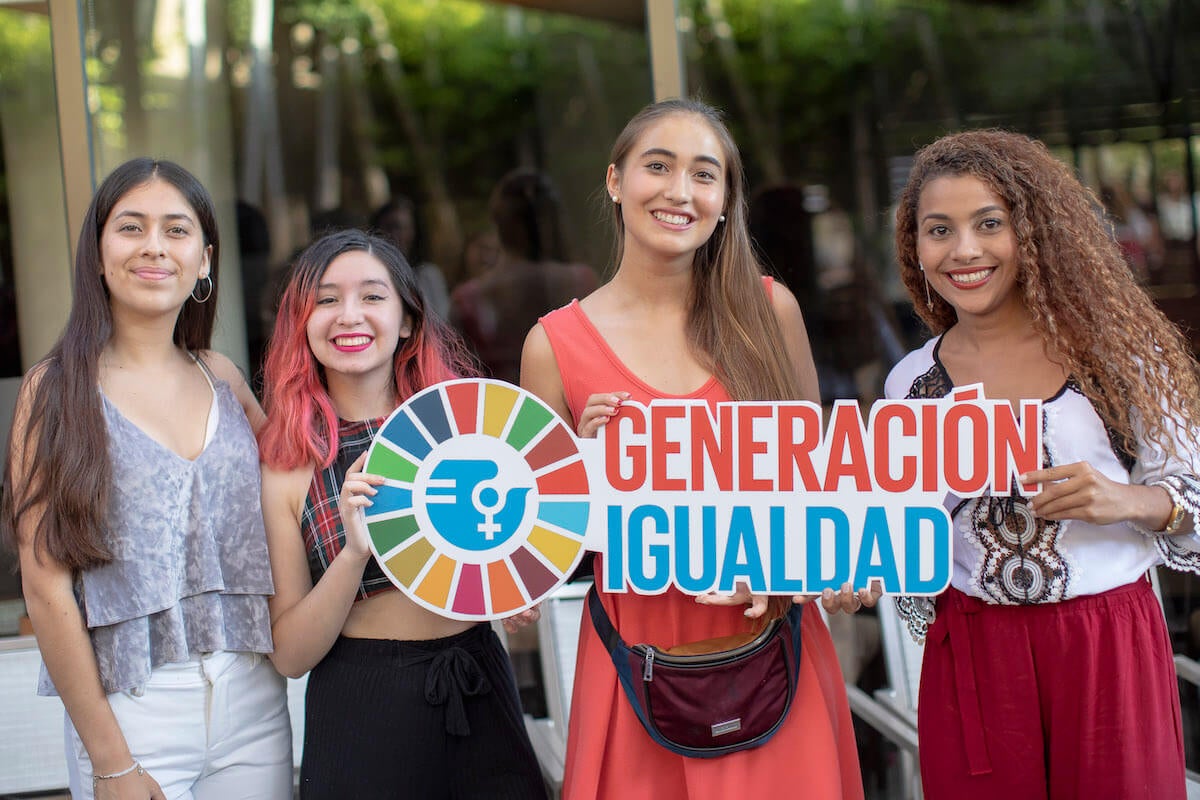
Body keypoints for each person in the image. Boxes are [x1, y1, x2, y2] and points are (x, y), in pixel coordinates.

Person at [520, 98, 870, 800]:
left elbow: (828, 488)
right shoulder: (552, 345)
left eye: (704, 174)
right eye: (659, 166)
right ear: (616, 181)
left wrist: (839, 569)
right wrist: (577, 472)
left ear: (724, 201)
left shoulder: (770, 313)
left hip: (774, 655)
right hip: (634, 667)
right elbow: (536, 546)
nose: (680, 191)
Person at [886, 129, 1200, 799]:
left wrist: (1128, 501)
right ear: (916, 247)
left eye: (988, 224)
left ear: (1033, 232)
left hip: (1108, 650)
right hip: (974, 658)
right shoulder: (910, 383)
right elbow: (902, 537)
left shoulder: (1116, 362)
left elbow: (1192, 498)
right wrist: (854, 566)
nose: (964, 250)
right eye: (938, 229)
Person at [1, 158, 292, 799]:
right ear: (99, 253)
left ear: (205, 259)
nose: (154, 246)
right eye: (131, 227)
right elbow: (46, 589)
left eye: (176, 230)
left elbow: (304, 505)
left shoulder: (223, 377)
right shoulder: (54, 391)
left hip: (254, 698)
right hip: (132, 707)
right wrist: (111, 762)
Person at [256, 228, 547, 799]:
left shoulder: (469, 429)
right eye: (326, 299)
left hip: (478, 677)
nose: (349, 316)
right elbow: (290, 654)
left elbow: (525, 544)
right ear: (301, 322)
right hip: (363, 702)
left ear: (408, 319)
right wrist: (353, 552)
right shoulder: (288, 465)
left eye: (372, 296)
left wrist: (515, 590)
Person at [450, 168, 598, 385]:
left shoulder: (467, 299)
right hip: (575, 411)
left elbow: (458, 376)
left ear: (499, 223)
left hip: (498, 412)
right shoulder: (582, 282)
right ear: (553, 220)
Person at [370, 196, 451, 319]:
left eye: (404, 228)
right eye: (391, 227)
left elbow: (443, 321)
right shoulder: (368, 273)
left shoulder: (428, 276)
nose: (398, 234)